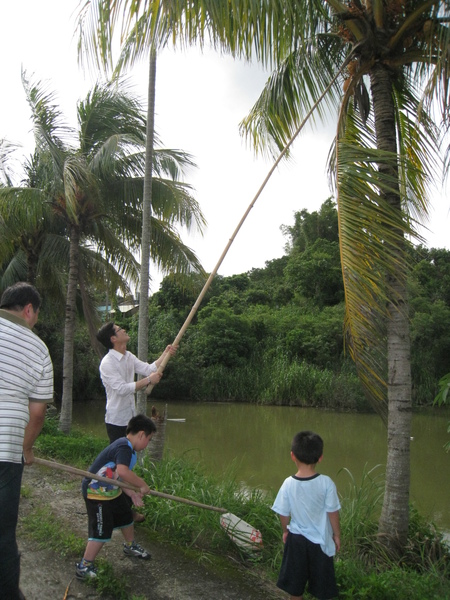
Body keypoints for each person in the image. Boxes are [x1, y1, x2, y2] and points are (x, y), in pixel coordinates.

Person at [0, 282, 54, 600]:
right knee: (3, 535)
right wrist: (26, 448)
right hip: (6, 452)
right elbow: (36, 414)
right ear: (29, 309)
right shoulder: (37, 349)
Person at [76, 413, 157, 580]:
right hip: (95, 492)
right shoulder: (123, 446)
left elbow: (119, 478)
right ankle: (84, 566)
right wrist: (141, 484)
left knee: (126, 516)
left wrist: (132, 493)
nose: (147, 444)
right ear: (141, 434)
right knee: (101, 530)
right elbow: (123, 472)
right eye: (148, 439)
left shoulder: (129, 451)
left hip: (111, 490)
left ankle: (130, 546)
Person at [272, 431, 341, 600]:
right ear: (320, 457)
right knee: (323, 588)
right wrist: (337, 535)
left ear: (292, 455)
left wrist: (285, 531)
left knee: (295, 589)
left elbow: (283, 513)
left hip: (296, 540)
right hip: (320, 542)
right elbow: (333, 513)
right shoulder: (326, 483)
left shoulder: (288, 483)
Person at [96, 322, 177, 444]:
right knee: (119, 457)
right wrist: (149, 380)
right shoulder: (107, 363)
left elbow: (149, 369)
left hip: (130, 420)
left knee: (129, 456)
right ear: (113, 339)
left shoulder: (128, 356)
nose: (123, 330)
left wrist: (165, 354)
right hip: (116, 421)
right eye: (119, 329)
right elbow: (122, 389)